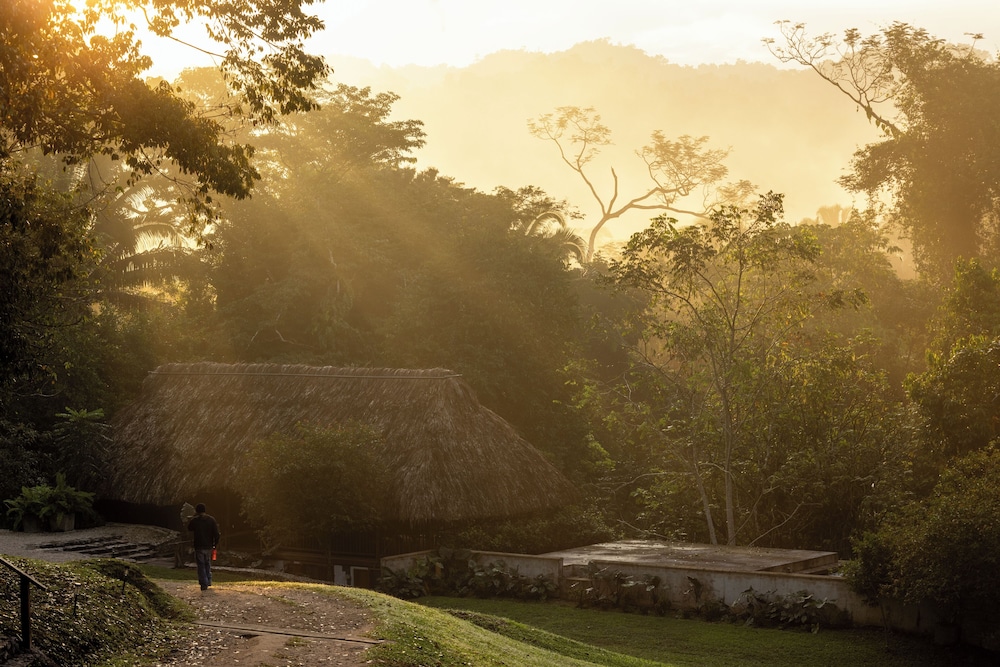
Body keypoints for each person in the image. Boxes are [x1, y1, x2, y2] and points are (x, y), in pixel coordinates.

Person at [188, 503, 221, 590]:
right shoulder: (211, 520)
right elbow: (216, 534)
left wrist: (192, 518)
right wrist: (215, 544)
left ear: (197, 511)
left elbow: (189, 528)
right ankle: (209, 580)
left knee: (201, 565)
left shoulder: (195, 521)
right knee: (207, 563)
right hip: (209, 545)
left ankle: (204, 582)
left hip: (199, 546)